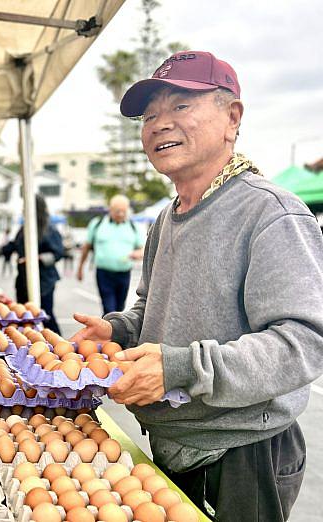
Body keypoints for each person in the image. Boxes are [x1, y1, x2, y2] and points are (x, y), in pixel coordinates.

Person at [70, 51, 323, 521]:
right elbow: (152, 308)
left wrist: (181, 367)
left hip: (244, 452)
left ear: (232, 117)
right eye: (149, 115)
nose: (159, 124)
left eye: (181, 106)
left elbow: (302, 344)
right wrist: (120, 331)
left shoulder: (270, 214)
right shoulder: (165, 219)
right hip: (170, 441)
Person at [0, 195, 64, 333]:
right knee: (25, 314)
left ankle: (59, 343)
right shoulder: (24, 228)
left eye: (25, 207)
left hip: (44, 280)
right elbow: (13, 246)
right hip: (23, 279)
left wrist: (35, 259)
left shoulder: (49, 229)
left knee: (45, 315)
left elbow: (57, 252)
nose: (22, 210)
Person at [76, 194, 144, 314]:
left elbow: (143, 249)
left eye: (124, 211)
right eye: (118, 211)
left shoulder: (134, 227)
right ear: (110, 210)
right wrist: (80, 268)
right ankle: (110, 330)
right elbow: (86, 247)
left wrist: (138, 253)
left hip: (124, 274)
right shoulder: (97, 224)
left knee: (119, 308)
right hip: (104, 274)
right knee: (109, 307)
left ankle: (112, 330)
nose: (121, 214)